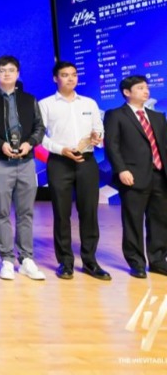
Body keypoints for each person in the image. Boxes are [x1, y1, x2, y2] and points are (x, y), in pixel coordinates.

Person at [0, 55, 46, 281]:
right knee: (2, 212)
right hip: (0, 162)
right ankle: (6, 259)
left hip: (26, 162)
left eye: (11, 70)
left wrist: (30, 143)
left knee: (26, 212)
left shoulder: (29, 100)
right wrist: (0, 144)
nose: (6, 74)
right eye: (2, 70)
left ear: (18, 74)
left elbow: (40, 127)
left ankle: (26, 259)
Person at [39, 61, 111, 281]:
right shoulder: (45, 104)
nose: (70, 78)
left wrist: (98, 137)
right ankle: (65, 262)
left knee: (89, 212)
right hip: (59, 161)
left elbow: (99, 129)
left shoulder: (89, 103)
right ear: (55, 78)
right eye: (65, 75)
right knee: (62, 214)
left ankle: (90, 261)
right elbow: (40, 137)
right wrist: (61, 150)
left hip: (86, 162)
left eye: (74, 74)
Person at [104, 75, 167, 279]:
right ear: (127, 92)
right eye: (140, 88)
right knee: (133, 220)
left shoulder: (157, 117)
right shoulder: (116, 115)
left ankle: (158, 261)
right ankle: (136, 262)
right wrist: (121, 169)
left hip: (159, 175)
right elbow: (112, 145)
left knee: (160, 220)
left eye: (146, 87)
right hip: (132, 175)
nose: (146, 91)